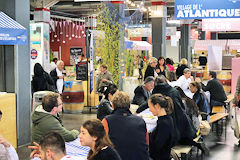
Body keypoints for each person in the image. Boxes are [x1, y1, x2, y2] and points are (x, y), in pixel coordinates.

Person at [102, 92, 149, 160]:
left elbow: (100, 144)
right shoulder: (141, 121)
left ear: (112, 105)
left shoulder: (107, 121)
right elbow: (146, 144)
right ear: (129, 106)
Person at [148, 94, 174, 160]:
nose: (149, 110)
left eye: (150, 107)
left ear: (157, 106)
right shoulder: (166, 119)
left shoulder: (164, 123)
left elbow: (157, 146)